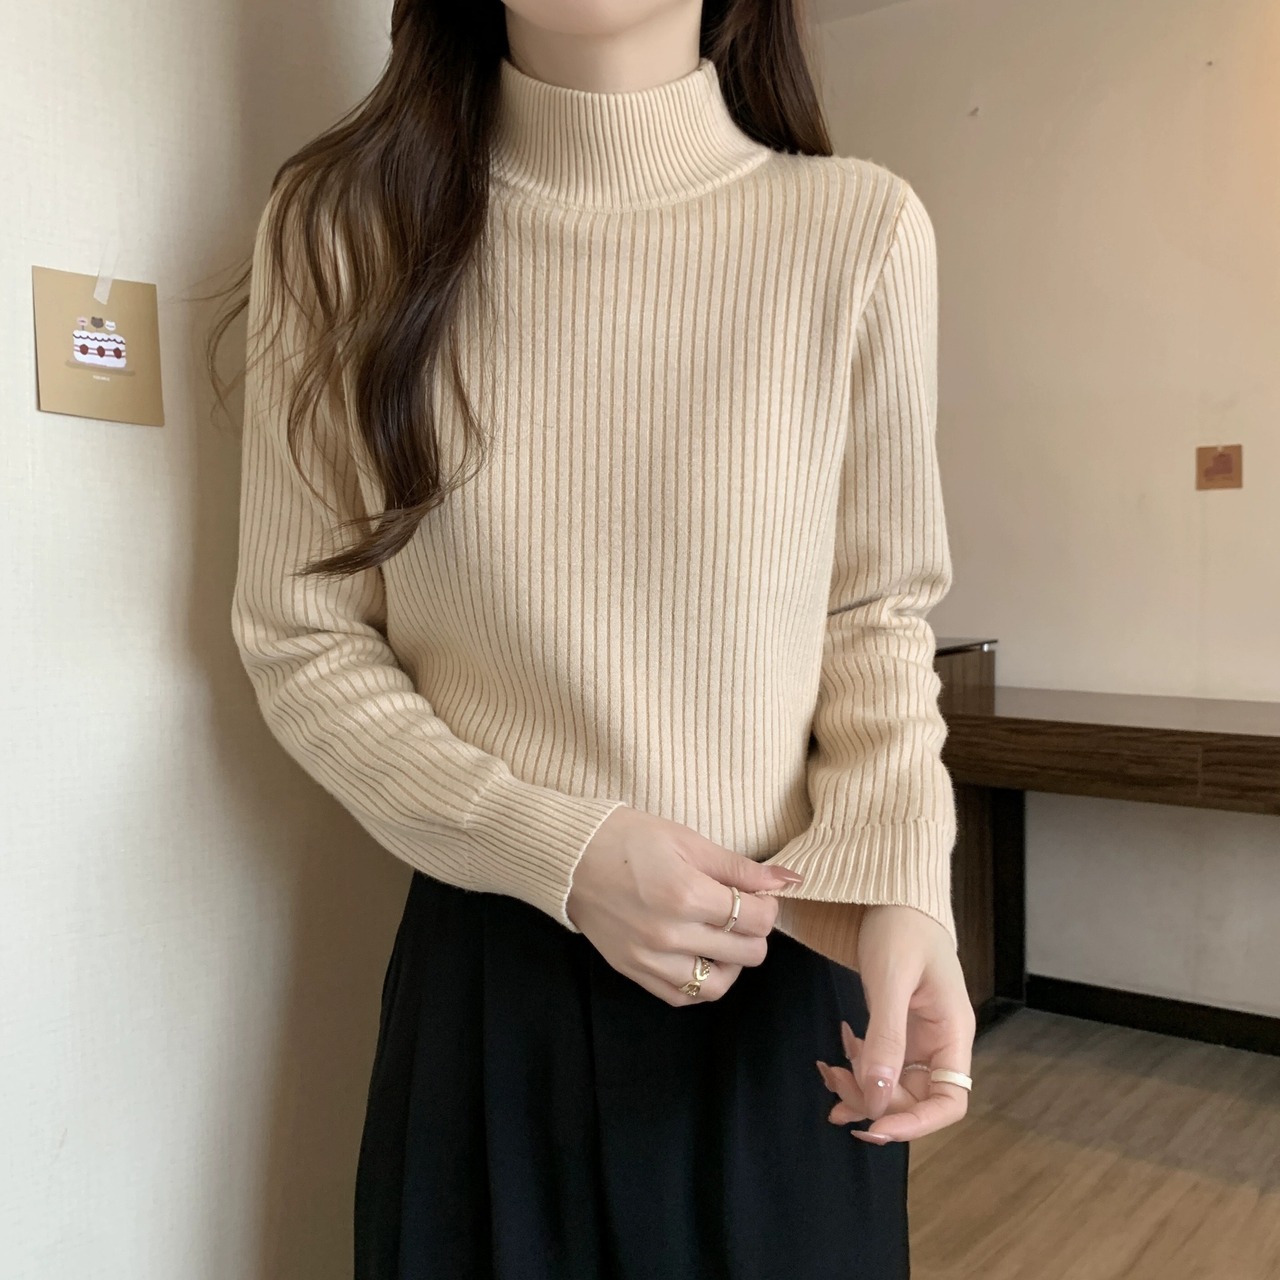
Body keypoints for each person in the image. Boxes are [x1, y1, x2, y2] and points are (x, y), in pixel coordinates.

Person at [221, 0, 976, 1275]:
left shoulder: (857, 228)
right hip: (492, 982)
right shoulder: (342, 229)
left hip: (786, 962)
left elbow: (871, 613)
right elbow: (303, 635)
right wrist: (556, 848)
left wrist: (902, 883)